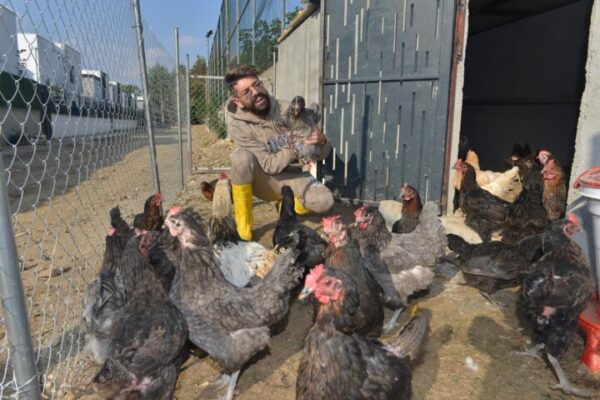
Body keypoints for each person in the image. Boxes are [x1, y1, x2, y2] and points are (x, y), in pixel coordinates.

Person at [225, 64, 334, 240]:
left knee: (325, 202)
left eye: (257, 85)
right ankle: (243, 229)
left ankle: (286, 204)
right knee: (240, 158)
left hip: (293, 175)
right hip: (264, 181)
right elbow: (269, 164)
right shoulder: (239, 126)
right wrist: (294, 144)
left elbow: (321, 154)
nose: (256, 92)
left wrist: (321, 142)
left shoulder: (289, 109)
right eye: (246, 92)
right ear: (238, 101)